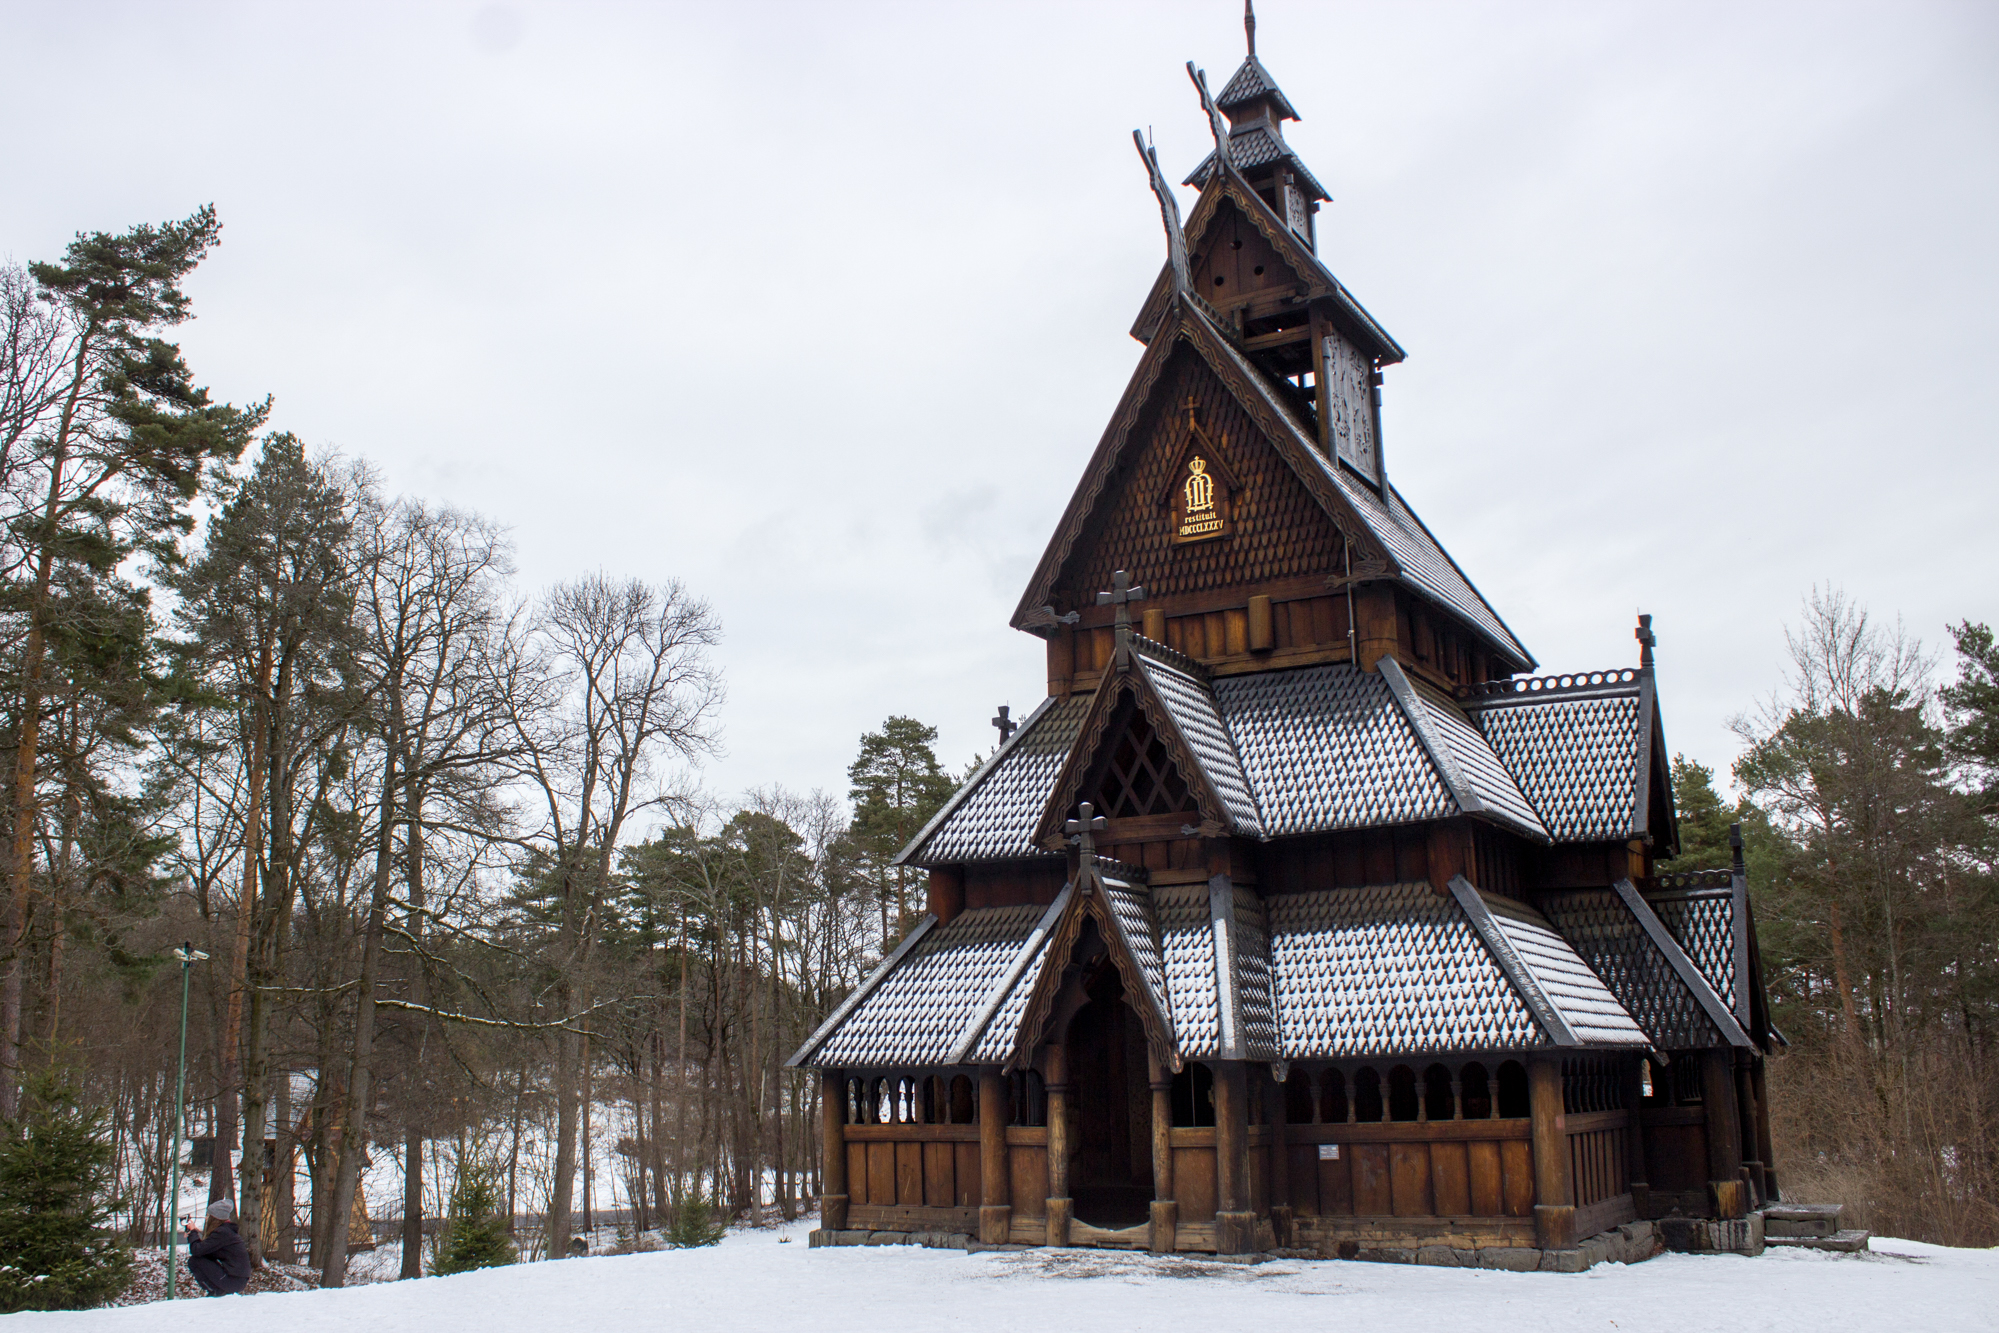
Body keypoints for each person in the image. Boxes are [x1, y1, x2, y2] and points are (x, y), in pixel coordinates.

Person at [184, 1198, 251, 1297]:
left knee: (194, 1261)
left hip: (234, 1280)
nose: (206, 1219)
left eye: (209, 1216)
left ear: (215, 1218)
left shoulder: (222, 1233)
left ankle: (216, 1292)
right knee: (200, 1259)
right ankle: (217, 1291)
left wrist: (193, 1233)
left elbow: (196, 1250)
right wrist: (192, 1234)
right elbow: (205, 1251)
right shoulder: (227, 1232)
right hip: (237, 1280)